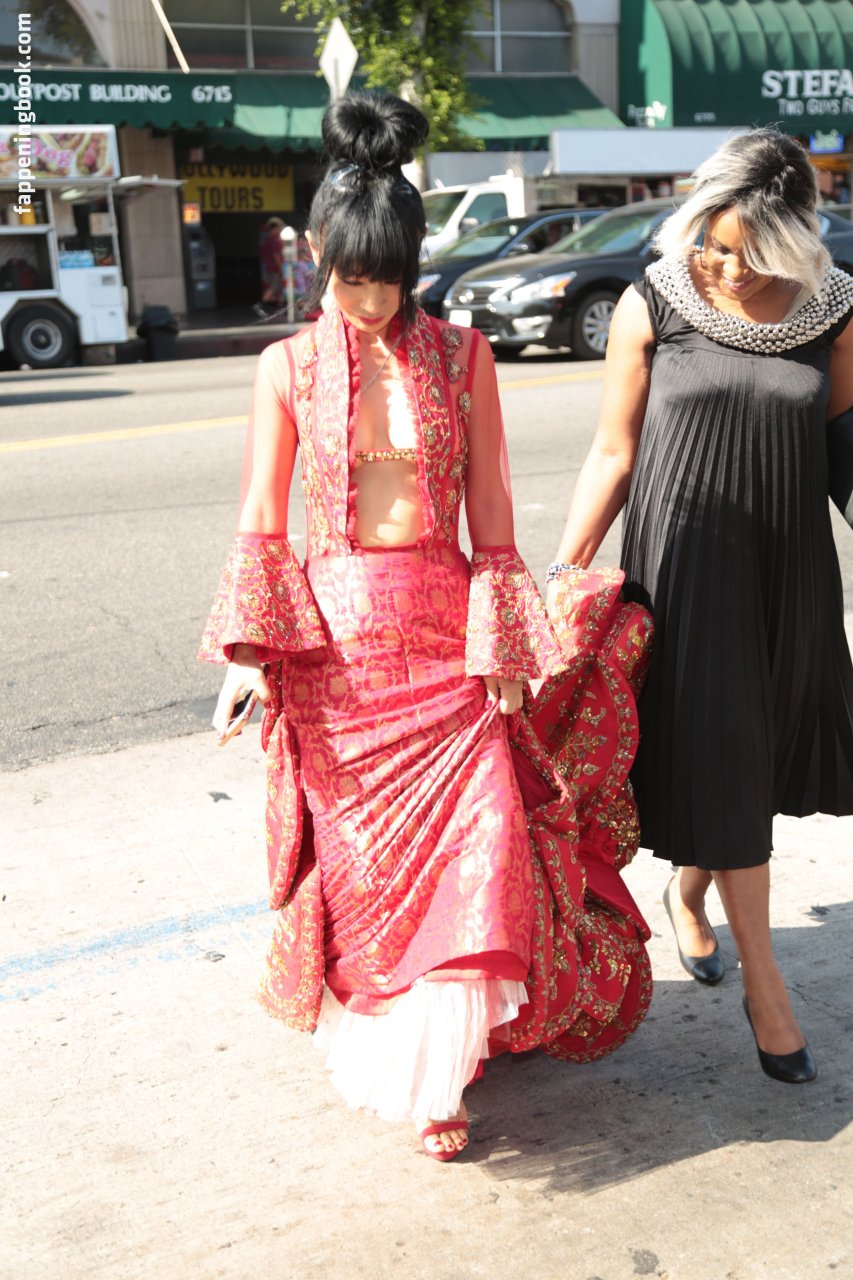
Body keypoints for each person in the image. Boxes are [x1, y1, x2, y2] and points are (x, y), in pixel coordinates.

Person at [200, 92, 652, 1161]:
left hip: (451, 649)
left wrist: (505, 645)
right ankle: (408, 1064)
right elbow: (263, 517)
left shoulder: (464, 355)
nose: (368, 301)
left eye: (389, 280)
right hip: (338, 664)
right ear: (317, 256)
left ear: (414, 266)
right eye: (349, 279)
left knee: (482, 841)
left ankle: (445, 1072)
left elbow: (491, 516)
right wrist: (249, 661)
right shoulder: (285, 367)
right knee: (365, 879)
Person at [548, 128, 853, 1084]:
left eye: (746, 250)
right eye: (712, 243)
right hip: (684, 575)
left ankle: (690, 895)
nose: (722, 265)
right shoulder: (655, 300)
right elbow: (613, 451)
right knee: (724, 751)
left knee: (747, 763)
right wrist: (562, 574)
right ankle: (769, 995)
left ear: (792, 239)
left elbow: (844, 450)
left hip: (788, 574)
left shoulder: (835, 308)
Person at [256, 215, 285, 315]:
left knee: (280, 288)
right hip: (274, 268)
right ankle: (260, 305)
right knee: (274, 287)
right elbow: (275, 255)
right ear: (275, 228)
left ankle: (281, 308)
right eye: (279, 227)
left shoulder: (271, 239)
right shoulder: (272, 240)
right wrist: (280, 268)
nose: (280, 230)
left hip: (272, 268)